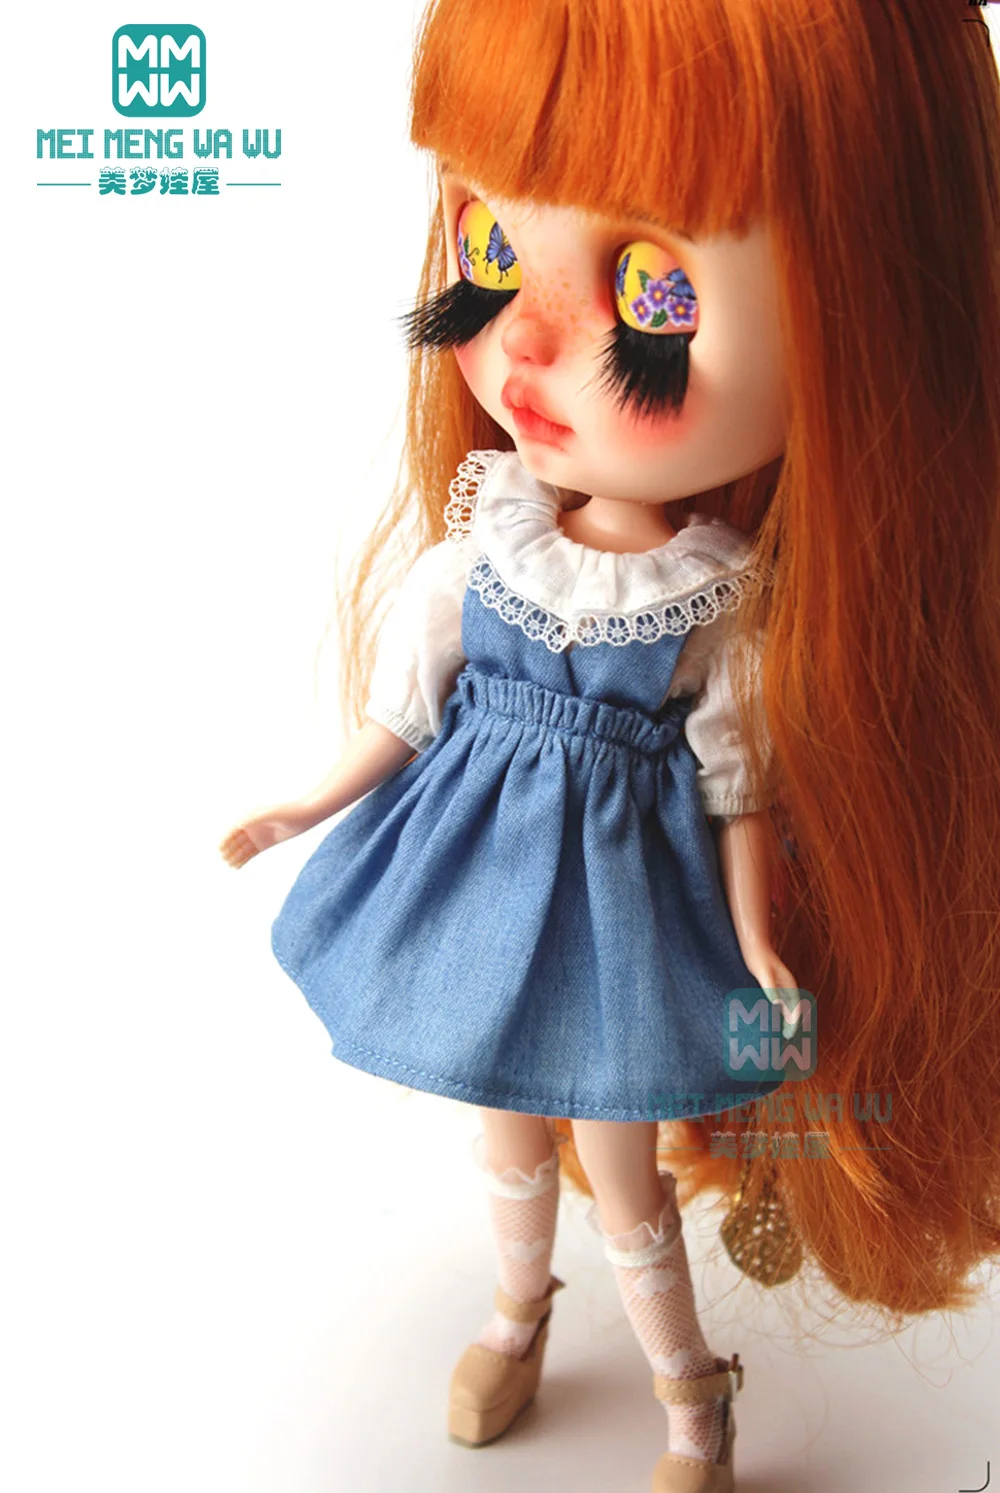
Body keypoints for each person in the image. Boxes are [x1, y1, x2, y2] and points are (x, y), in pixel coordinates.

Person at [220, 2, 1000, 1488]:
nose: (522, 338)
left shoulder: (717, 612)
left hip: (626, 928)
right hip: (479, 896)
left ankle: (691, 1395)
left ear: (879, 323)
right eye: (488, 245)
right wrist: (301, 809)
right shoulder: (487, 548)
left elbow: (738, 790)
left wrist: (761, 950)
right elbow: (405, 715)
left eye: (654, 288)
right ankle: (518, 1313)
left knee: (620, 1167)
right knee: (508, 1141)